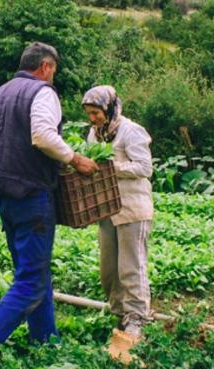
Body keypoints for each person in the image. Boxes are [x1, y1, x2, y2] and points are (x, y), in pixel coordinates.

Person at [0, 42, 99, 367]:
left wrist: (10, 158)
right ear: (46, 67)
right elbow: (43, 136)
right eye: (53, 72)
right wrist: (75, 159)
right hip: (33, 195)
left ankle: (46, 343)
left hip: (5, 198)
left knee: (34, 273)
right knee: (32, 280)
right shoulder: (42, 93)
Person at [82, 85, 154, 339]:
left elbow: (144, 168)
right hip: (107, 208)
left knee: (131, 266)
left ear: (110, 108)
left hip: (133, 208)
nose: (92, 119)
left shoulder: (130, 131)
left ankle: (137, 317)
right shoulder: (95, 135)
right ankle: (119, 312)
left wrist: (111, 167)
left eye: (96, 112)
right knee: (109, 268)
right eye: (89, 114)